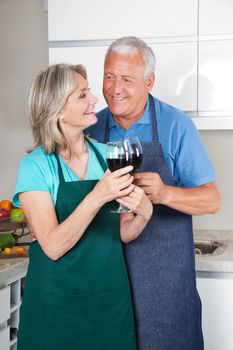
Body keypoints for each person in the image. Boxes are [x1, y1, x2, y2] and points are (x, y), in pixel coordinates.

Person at [85, 36, 221, 350]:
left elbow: (212, 199)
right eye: (109, 76)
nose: (115, 87)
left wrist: (162, 194)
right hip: (107, 279)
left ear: (150, 81)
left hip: (165, 288)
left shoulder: (176, 125)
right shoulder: (91, 127)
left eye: (127, 79)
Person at [12, 63, 153, 350]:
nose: (94, 100)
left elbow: (121, 232)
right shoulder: (36, 166)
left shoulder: (110, 156)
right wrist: (97, 195)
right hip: (55, 309)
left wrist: (145, 212)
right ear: (57, 109)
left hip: (108, 306)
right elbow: (52, 246)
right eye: (82, 95)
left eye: (88, 91)